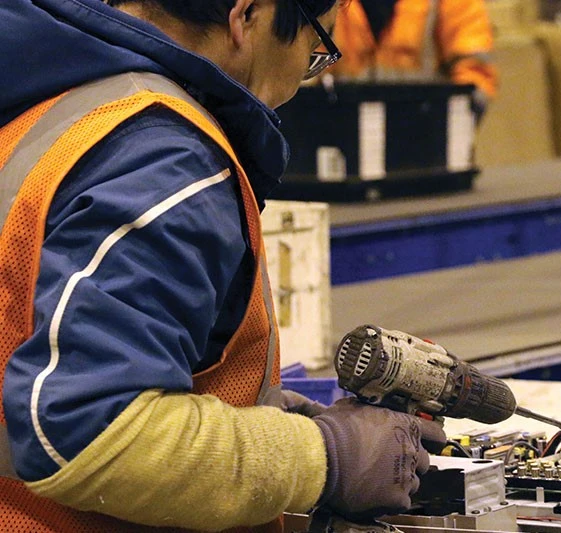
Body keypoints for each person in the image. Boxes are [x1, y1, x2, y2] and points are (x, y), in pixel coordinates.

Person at [0, 0, 445, 531]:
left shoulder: (57, 98)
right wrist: (324, 456)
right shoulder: (165, 158)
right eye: (314, 46)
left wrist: (258, 421)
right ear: (248, 14)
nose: (303, 80)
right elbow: (88, 433)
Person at [332, 0, 498, 120]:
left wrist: (447, 128)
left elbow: (475, 77)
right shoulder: (327, 6)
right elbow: (310, 73)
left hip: (427, 149)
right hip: (342, 146)